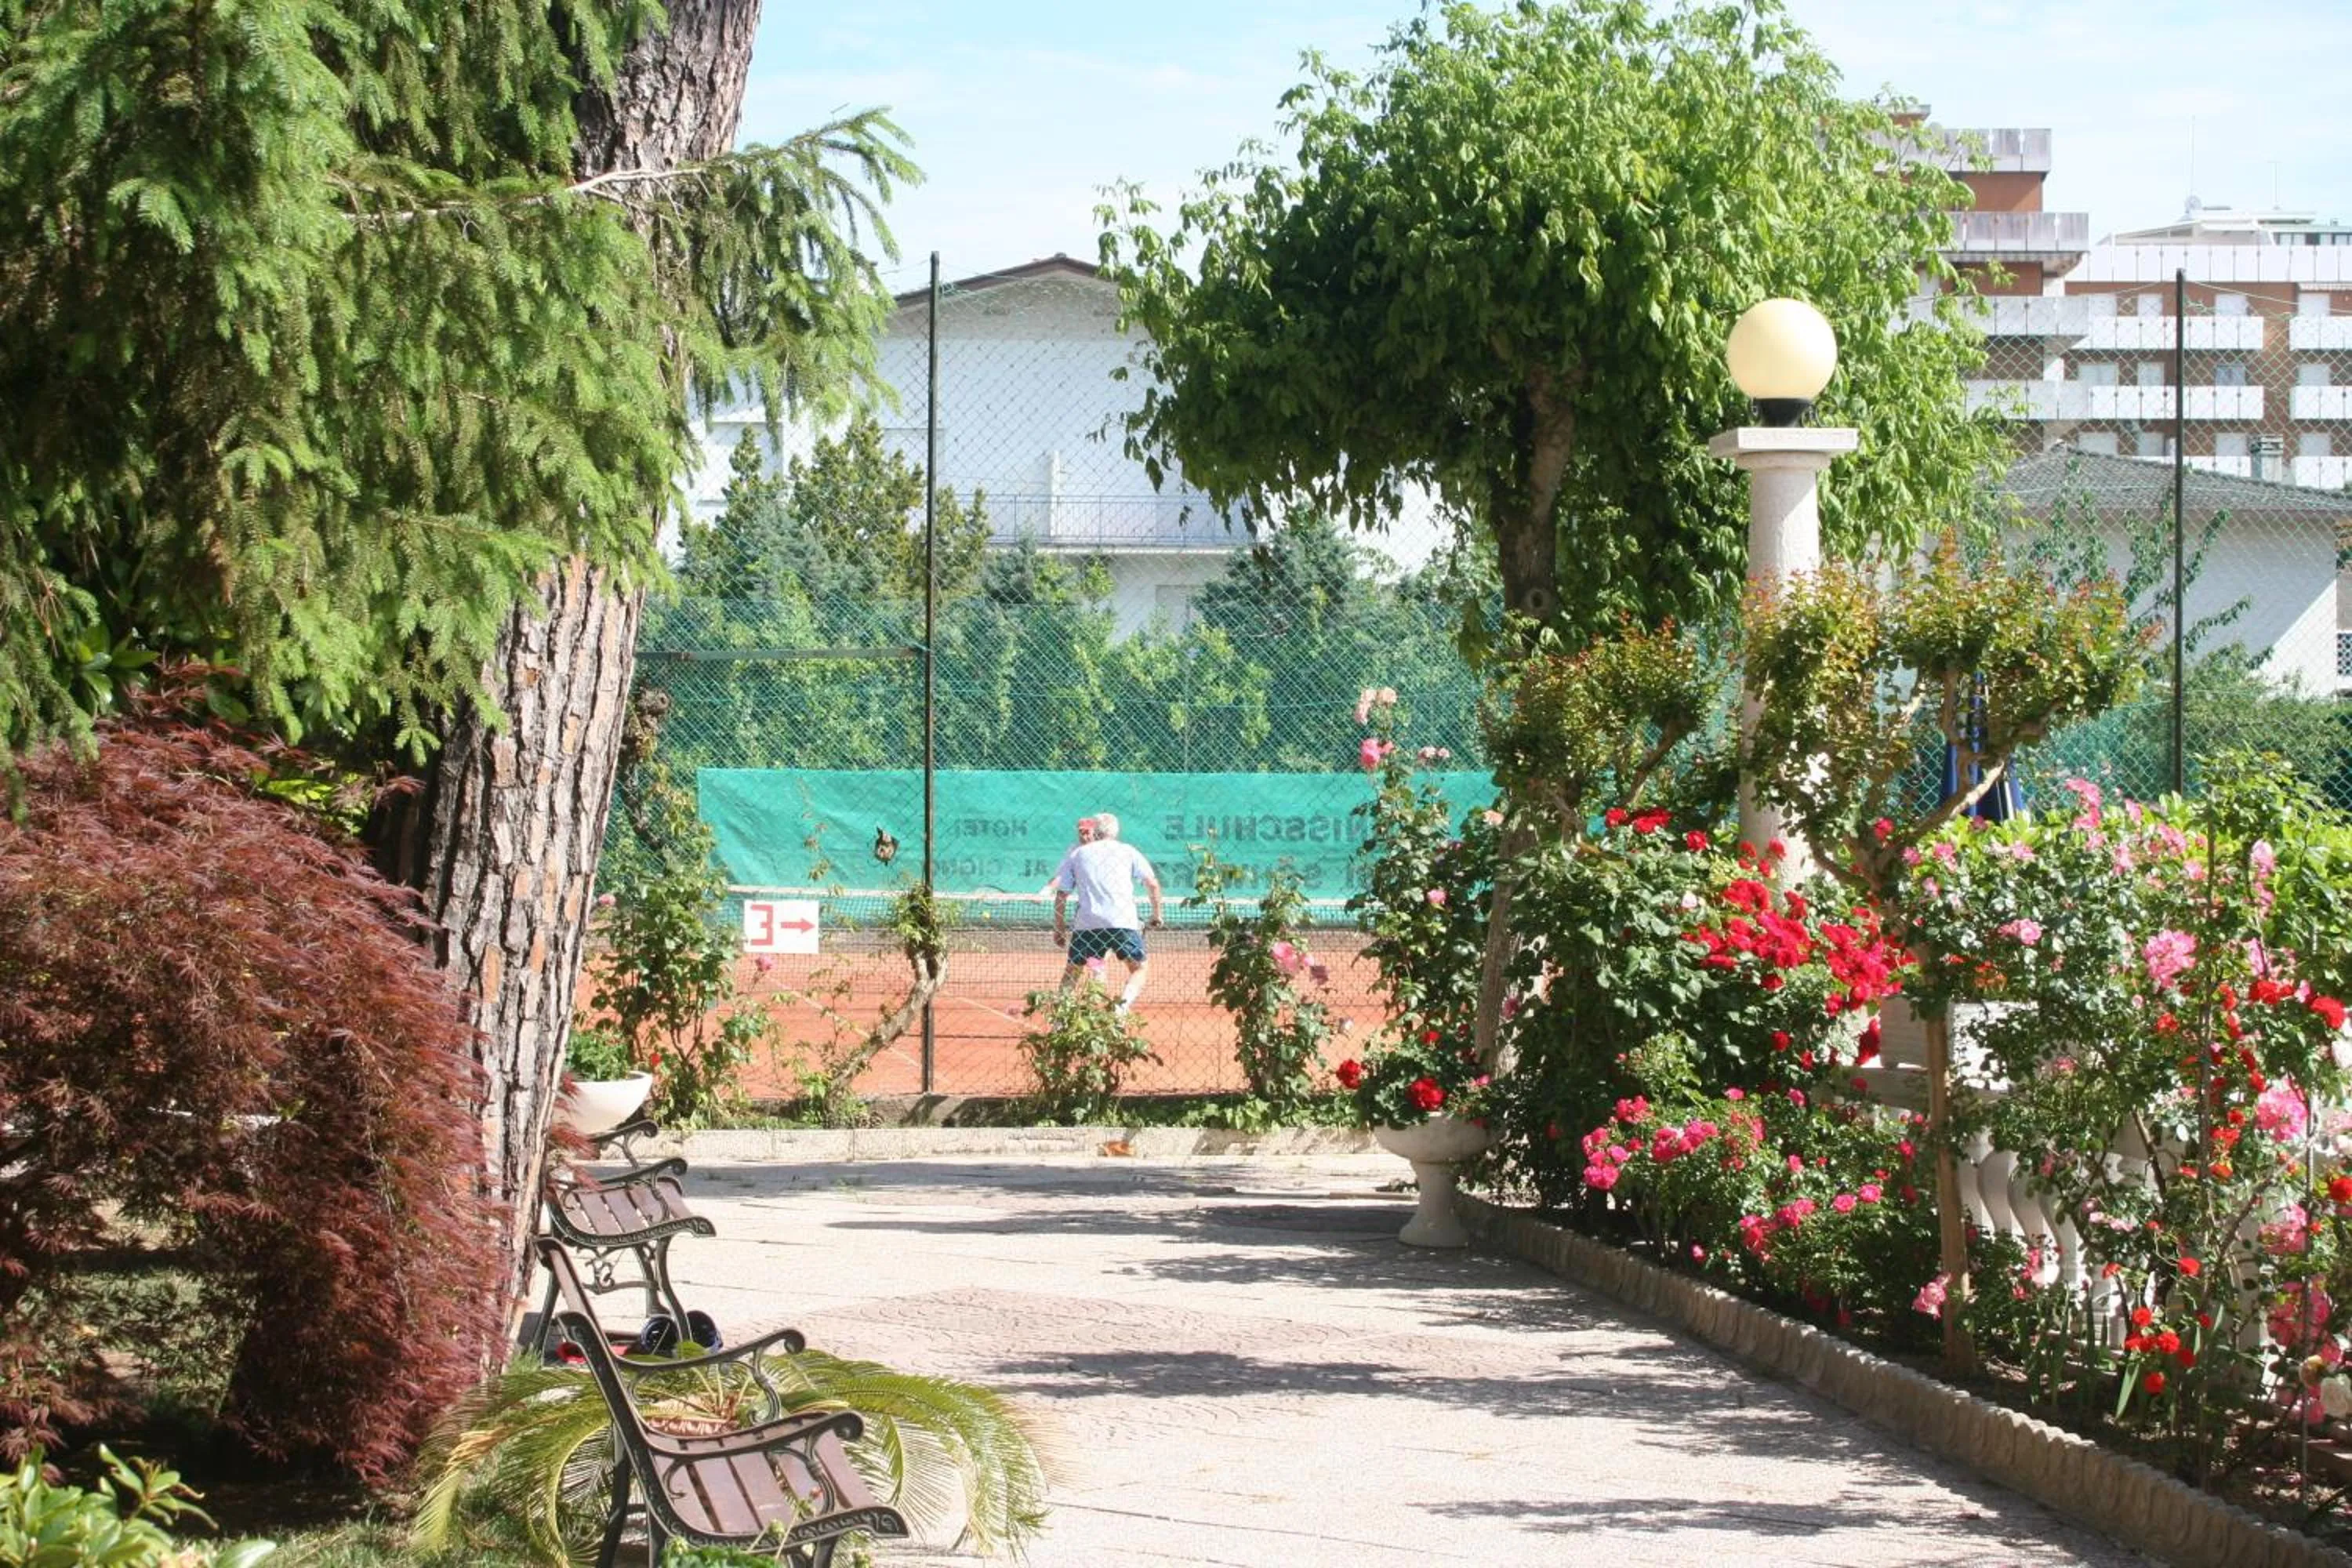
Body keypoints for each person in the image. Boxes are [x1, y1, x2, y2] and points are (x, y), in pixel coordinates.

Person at [1051, 811, 1162, 1012]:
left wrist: (1059, 928)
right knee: (1139, 969)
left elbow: (1062, 894)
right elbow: (1153, 884)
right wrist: (1157, 915)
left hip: (1087, 926)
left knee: (1072, 972)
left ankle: (1061, 1019)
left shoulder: (1077, 854)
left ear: (1095, 831)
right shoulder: (1128, 851)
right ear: (1116, 831)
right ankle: (1121, 1009)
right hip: (1122, 924)